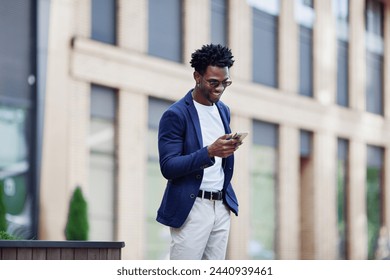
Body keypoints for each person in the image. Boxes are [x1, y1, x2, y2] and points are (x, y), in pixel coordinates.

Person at [156, 44, 241, 260]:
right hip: (192, 207)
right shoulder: (175, 115)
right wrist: (209, 152)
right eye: (213, 82)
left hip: (221, 206)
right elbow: (169, 166)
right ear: (197, 76)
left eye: (225, 83)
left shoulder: (223, 110)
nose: (220, 89)